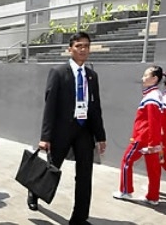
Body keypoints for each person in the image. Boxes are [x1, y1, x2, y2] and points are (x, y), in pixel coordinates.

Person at [34, 32, 106, 225]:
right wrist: (45, 136)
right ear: (70, 49)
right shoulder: (58, 72)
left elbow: (96, 107)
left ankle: (79, 217)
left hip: (84, 130)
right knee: (52, 168)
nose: (83, 50)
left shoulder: (92, 76)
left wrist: (100, 136)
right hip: (62, 131)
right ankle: (34, 193)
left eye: (86, 46)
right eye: (79, 46)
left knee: (84, 175)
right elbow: (50, 106)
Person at [113, 65, 163, 206]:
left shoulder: (152, 97)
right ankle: (153, 197)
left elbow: (153, 121)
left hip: (143, 137)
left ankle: (126, 191)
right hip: (150, 138)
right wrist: (155, 142)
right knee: (153, 168)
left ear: (154, 78)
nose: (143, 78)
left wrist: (152, 144)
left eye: (146, 75)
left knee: (126, 161)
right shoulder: (157, 94)